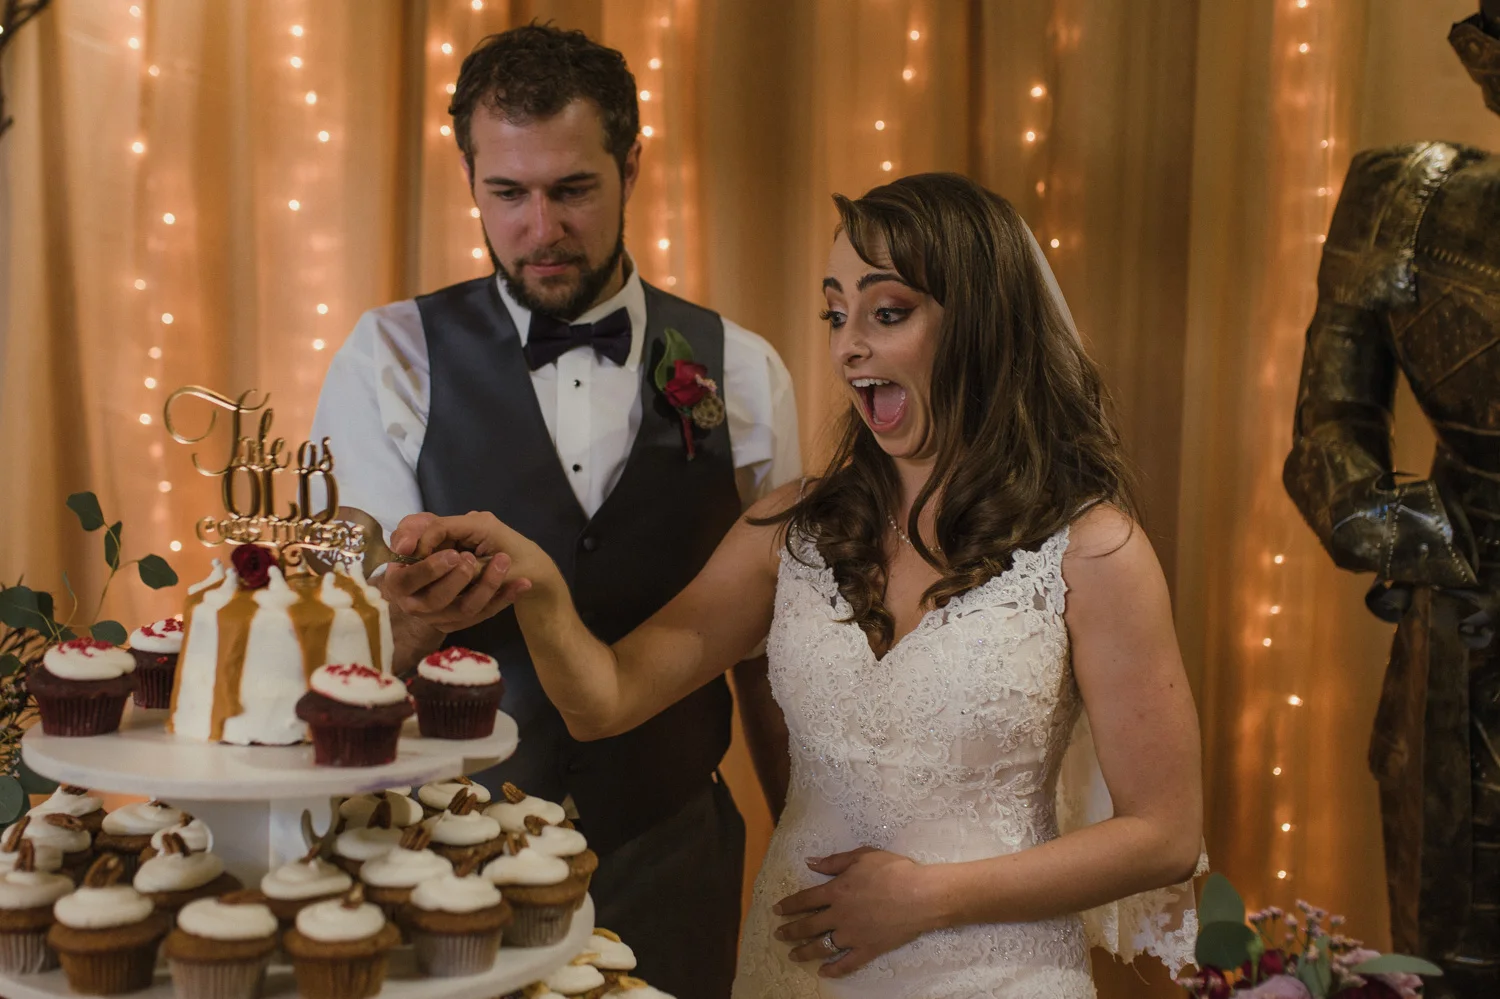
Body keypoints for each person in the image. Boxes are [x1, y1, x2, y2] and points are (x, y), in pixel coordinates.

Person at [391, 172, 1205, 997]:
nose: (848, 345)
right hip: (799, 973)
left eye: (886, 313)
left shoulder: (1094, 551)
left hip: (995, 973)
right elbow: (603, 699)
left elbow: (1164, 833)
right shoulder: (792, 528)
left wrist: (928, 897)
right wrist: (532, 578)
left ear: (985, 329)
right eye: (835, 313)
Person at [308, 24, 800, 998]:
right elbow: (346, 647)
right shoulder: (389, 358)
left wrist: (801, 836)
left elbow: (773, 654)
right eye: (509, 194)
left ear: (631, 167)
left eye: (573, 190)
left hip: (673, 852)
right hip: (441, 859)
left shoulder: (743, 371)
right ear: (472, 178)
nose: (541, 227)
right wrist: (408, 613)